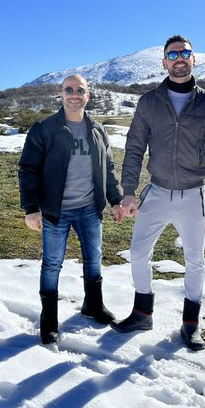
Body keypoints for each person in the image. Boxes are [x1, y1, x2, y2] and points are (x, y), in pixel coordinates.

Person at [111, 35, 205, 351]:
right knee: (138, 253)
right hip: (156, 193)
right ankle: (142, 313)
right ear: (164, 62)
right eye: (172, 54)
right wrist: (128, 193)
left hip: (194, 196)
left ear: (194, 59)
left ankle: (190, 324)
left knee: (195, 260)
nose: (179, 59)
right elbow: (135, 148)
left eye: (185, 53)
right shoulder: (149, 103)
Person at [18, 74, 124, 344]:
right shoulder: (44, 129)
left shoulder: (98, 130)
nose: (74, 94)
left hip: (90, 208)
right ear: (61, 94)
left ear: (88, 95)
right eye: (69, 90)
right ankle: (49, 321)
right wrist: (31, 207)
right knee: (52, 265)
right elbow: (28, 169)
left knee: (94, 259)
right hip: (57, 211)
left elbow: (108, 169)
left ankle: (93, 306)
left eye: (80, 90)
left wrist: (116, 200)